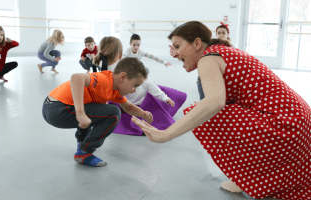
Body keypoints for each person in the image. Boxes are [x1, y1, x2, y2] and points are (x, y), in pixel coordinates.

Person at [132, 21, 311, 200]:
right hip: (300, 123)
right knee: (208, 109)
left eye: (178, 46)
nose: (175, 53)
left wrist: (166, 134)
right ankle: (244, 178)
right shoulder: (223, 52)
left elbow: (214, 102)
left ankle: (242, 179)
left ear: (196, 43)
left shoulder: (207, 59)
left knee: (209, 114)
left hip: (285, 125)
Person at [42, 36, 153, 167]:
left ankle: (82, 146)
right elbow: (76, 77)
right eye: (134, 85)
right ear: (122, 77)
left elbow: (128, 107)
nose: (134, 91)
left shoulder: (115, 89)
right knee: (113, 113)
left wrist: (143, 114)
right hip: (58, 108)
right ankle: (84, 152)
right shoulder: (105, 80)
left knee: (98, 109)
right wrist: (80, 112)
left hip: (52, 105)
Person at [109, 77, 187, 136]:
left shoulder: (138, 78)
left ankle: (167, 100)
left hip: (144, 99)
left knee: (165, 95)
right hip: (135, 103)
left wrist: (165, 98)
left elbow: (149, 84)